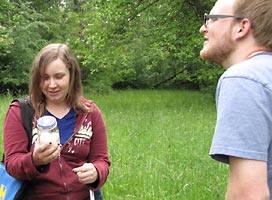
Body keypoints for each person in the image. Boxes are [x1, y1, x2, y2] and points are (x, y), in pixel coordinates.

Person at [3, 43, 110, 200]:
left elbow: (102, 160)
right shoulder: (21, 111)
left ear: (71, 76)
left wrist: (96, 171)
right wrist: (35, 160)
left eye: (59, 77)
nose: (52, 85)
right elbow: (11, 164)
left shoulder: (89, 113)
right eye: (45, 78)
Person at [199, 0, 272, 199]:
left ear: (242, 27)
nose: (202, 29)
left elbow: (248, 194)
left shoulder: (244, 78)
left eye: (212, 19)